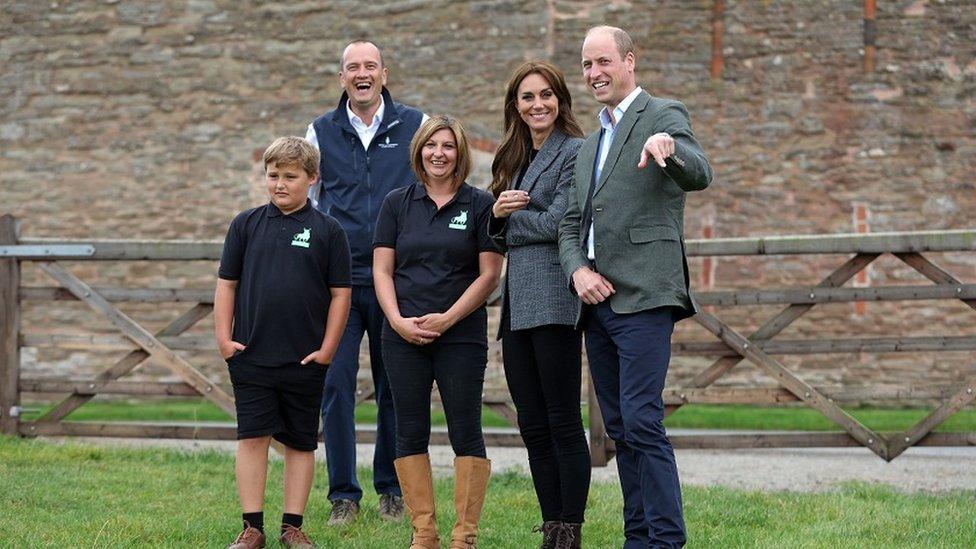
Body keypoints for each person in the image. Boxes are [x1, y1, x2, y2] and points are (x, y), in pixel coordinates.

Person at [558, 26, 713, 548]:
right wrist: (577, 270)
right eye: (586, 65)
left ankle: (666, 541)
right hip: (597, 302)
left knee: (643, 422)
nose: (594, 73)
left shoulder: (664, 114)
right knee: (621, 430)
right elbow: (570, 223)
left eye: (603, 61)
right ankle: (637, 537)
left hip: (646, 294)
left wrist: (668, 151)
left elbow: (700, 173)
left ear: (629, 61)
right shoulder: (589, 145)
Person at [305, 39, 425, 524]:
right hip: (337, 284)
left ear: (384, 73)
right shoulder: (319, 131)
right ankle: (342, 496)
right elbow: (306, 202)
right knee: (335, 388)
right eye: (352, 67)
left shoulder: (416, 125)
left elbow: (435, 186)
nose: (361, 74)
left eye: (369, 66)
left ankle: (391, 488)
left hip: (394, 281)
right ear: (341, 78)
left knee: (395, 386)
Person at [215, 136, 352, 549]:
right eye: (273, 175)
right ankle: (252, 528)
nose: (279, 184)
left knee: (300, 441)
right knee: (252, 438)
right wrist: (224, 338)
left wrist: (327, 349)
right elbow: (227, 285)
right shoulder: (245, 225)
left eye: (290, 177)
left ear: (312, 179)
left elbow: (341, 295)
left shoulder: (329, 231)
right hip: (251, 355)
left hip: (305, 359)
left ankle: (292, 526)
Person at [373, 115, 504, 549]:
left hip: (461, 336)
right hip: (403, 335)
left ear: (460, 153)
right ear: (419, 151)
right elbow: (382, 270)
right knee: (409, 430)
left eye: (448, 146)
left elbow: (488, 275)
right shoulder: (396, 203)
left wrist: (448, 319)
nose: (438, 153)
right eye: (431, 145)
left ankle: (464, 537)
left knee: (466, 428)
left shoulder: (479, 204)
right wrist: (395, 321)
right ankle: (423, 534)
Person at [487, 60, 589, 549]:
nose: (537, 104)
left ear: (560, 100)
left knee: (563, 420)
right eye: (527, 97)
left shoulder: (576, 151)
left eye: (546, 95)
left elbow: (561, 223)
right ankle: (551, 527)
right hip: (515, 306)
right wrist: (498, 216)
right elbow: (500, 231)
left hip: (554, 299)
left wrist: (507, 220)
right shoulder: (512, 157)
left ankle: (572, 527)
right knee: (532, 424)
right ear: (516, 106)